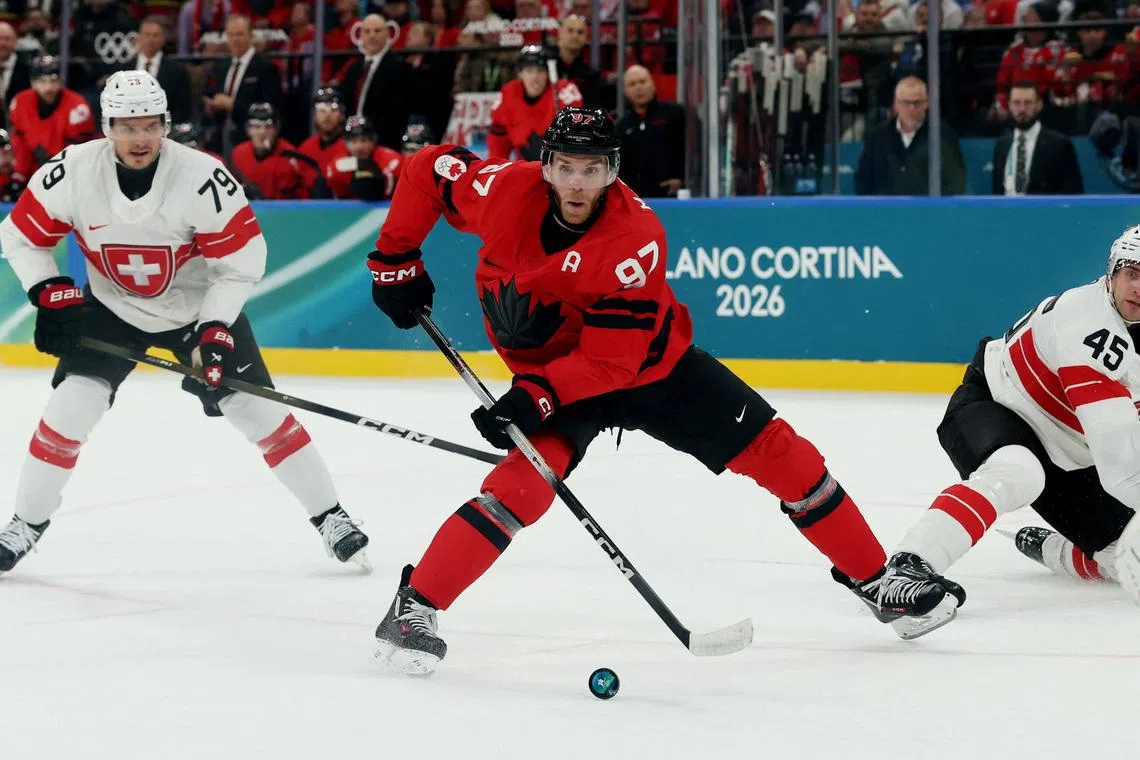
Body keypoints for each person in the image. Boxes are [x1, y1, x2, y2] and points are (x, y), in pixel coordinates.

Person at [364, 107, 963, 676]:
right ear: (545, 164)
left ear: (613, 172)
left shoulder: (634, 237)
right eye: (567, 166)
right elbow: (426, 170)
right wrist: (395, 260)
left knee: (784, 454)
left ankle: (876, 581)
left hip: (649, 367)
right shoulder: (501, 191)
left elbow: (610, 360)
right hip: (557, 374)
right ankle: (415, 605)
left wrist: (536, 397)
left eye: (593, 168)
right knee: (521, 486)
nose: (577, 183)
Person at [0, 71, 370, 575]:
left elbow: (241, 262)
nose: (140, 138)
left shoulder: (201, 176)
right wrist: (49, 291)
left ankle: (332, 517)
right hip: (112, 310)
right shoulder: (73, 171)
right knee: (68, 410)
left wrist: (216, 327)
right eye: (128, 127)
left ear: (166, 125)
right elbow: (21, 237)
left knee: (259, 414)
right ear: (107, 126)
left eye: (150, 125)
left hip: (196, 313)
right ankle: (25, 524)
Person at [883, 226, 1140, 616]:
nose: (1137, 287)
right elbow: (1122, 468)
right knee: (1018, 472)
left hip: (1072, 454)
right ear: (1111, 273)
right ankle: (906, 569)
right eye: (1132, 273)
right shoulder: (1089, 324)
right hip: (997, 404)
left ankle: (1054, 549)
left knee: (1128, 555)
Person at [487, 45, 584, 161]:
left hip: (561, 166)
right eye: (529, 71)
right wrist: (497, 171)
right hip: (525, 169)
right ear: (520, 74)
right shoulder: (508, 94)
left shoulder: (565, 92)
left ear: (548, 74)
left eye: (540, 71)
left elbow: (579, 139)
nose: (535, 77)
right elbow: (498, 142)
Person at [8, 55, 96, 183]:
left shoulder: (78, 107)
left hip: (69, 174)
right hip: (34, 173)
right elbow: (20, 141)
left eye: (53, 80)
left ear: (61, 80)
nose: (48, 88)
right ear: (33, 82)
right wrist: (20, 174)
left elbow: (79, 154)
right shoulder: (20, 101)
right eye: (42, 81)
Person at [991, 82, 1083, 196]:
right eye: (1016, 103)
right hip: (1007, 212)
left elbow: (1074, 193)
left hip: (1044, 212)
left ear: (1039, 105)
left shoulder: (1060, 145)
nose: (1022, 109)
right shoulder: (1001, 146)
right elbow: (997, 194)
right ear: (1009, 105)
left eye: (1028, 103)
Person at [229, 101, 307, 199]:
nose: (262, 132)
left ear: (276, 129)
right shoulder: (238, 154)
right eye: (256, 126)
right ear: (248, 130)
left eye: (268, 126)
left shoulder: (289, 157)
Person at [325, 115, 402, 200]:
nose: (359, 147)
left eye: (363, 140)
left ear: (373, 141)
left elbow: (388, 190)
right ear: (346, 144)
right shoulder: (338, 164)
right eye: (354, 142)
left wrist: (371, 167)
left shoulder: (391, 158)